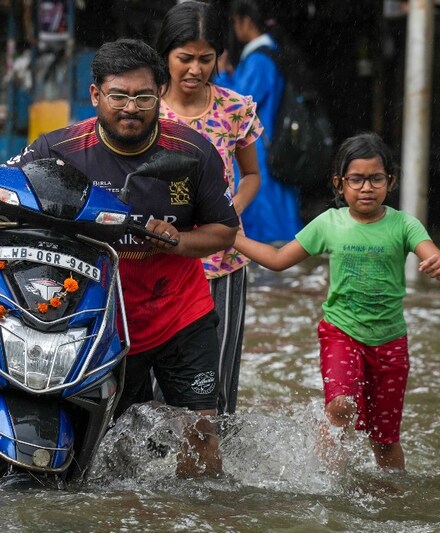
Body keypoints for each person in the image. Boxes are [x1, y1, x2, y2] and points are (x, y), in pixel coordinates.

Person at [0, 39, 239, 478]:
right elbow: (2, 195)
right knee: (105, 449)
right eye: (118, 96)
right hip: (101, 318)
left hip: (181, 315)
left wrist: (177, 240)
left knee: (201, 434)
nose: (131, 108)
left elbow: (224, 231)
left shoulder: (192, 152)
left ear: (160, 93)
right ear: (95, 95)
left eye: (143, 97)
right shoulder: (58, 149)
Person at [232, 133, 440, 470]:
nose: (367, 187)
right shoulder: (329, 223)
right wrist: (232, 238)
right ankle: (331, 477)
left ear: (390, 182)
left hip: (391, 342)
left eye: (376, 179)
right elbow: (278, 259)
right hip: (341, 334)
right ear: (339, 184)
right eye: (357, 179)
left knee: (385, 439)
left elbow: (433, 252)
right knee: (340, 407)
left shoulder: (404, 224)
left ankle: (393, 495)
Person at [154, 0, 263, 415]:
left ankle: (213, 470)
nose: (195, 69)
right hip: (159, 260)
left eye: (206, 58)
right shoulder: (145, 110)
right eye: (185, 58)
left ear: (219, 56)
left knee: (215, 383)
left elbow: (252, 176)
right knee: (152, 382)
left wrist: (226, 214)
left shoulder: (235, 109)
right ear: (166, 55)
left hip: (223, 262)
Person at [214, 0, 302, 244]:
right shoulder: (268, 52)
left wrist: (220, 74)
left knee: (265, 208)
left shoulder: (259, 58)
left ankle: (273, 258)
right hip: (268, 141)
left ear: (246, 21)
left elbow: (241, 100)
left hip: (261, 145)